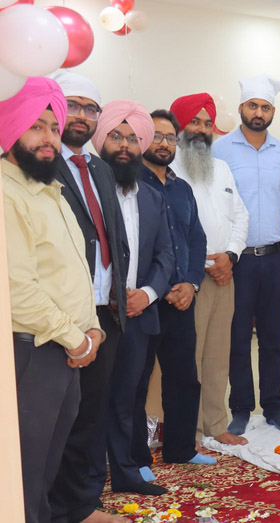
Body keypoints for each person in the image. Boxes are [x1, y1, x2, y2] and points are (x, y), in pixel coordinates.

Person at [2, 77, 111, 523]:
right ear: (10, 128)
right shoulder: (6, 194)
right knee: (23, 476)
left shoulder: (50, 190)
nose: (48, 138)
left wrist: (92, 329)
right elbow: (18, 289)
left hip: (64, 348)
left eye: (53, 127)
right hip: (33, 351)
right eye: (36, 126)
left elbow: (73, 273)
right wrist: (77, 339)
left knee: (46, 468)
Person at [48, 71, 131, 523]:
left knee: (90, 414)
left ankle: (81, 504)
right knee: (58, 418)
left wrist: (117, 295)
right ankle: (55, 506)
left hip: (105, 313)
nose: (81, 116)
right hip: (60, 315)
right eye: (72, 105)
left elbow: (114, 235)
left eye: (90, 108)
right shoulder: (41, 162)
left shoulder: (99, 167)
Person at [90, 101, 175, 498]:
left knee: (127, 399)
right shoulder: (88, 190)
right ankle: (88, 484)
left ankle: (125, 472)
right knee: (92, 401)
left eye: (131, 138)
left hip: (140, 313)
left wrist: (147, 294)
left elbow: (165, 254)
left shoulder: (152, 197)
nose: (124, 145)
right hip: (97, 314)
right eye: (116, 136)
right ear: (101, 140)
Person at [212, 75, 280, 434]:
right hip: (238, 260)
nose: (258, 112)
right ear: (241, 108)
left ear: (272, 112)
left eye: (265, 107)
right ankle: (241, 407)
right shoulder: (220, 151)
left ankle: (274, 406)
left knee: (273, 337)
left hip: (277, 257)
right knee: (237, 337)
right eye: (253, 106)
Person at [132, 107, 213, 471]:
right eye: (157, 136)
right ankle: (135, 458)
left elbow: (196, 238)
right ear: (142, 139)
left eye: (170, 137)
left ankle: (181, 449)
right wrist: (159, 287)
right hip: (146, 301)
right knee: (137, 380)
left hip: (183, 298)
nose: (164, 143)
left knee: (184, 378)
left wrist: (191, 283)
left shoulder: (182, 188)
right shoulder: (130, 184)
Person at [169, 93, 251, 447]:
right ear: (179, 126)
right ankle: (188, 431)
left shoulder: (222, 168)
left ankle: (216, 423)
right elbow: (173, 229)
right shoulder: (169, 169)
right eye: (194, 122)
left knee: (218, 355)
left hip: (224, 274)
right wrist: (206, 263)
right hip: (188, 279)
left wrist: (230, 256)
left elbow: (241, 216)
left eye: (207, 123)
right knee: (188, 357)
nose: (202, 130)